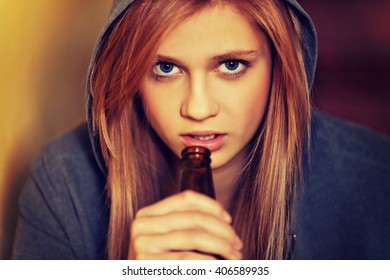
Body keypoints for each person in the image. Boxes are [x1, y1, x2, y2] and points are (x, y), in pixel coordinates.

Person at [12, 0, 390, 260]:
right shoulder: (62, 183)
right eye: (165, 68)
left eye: (230, 65)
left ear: (281, 63)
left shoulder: (376, 179)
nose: (197, 109)